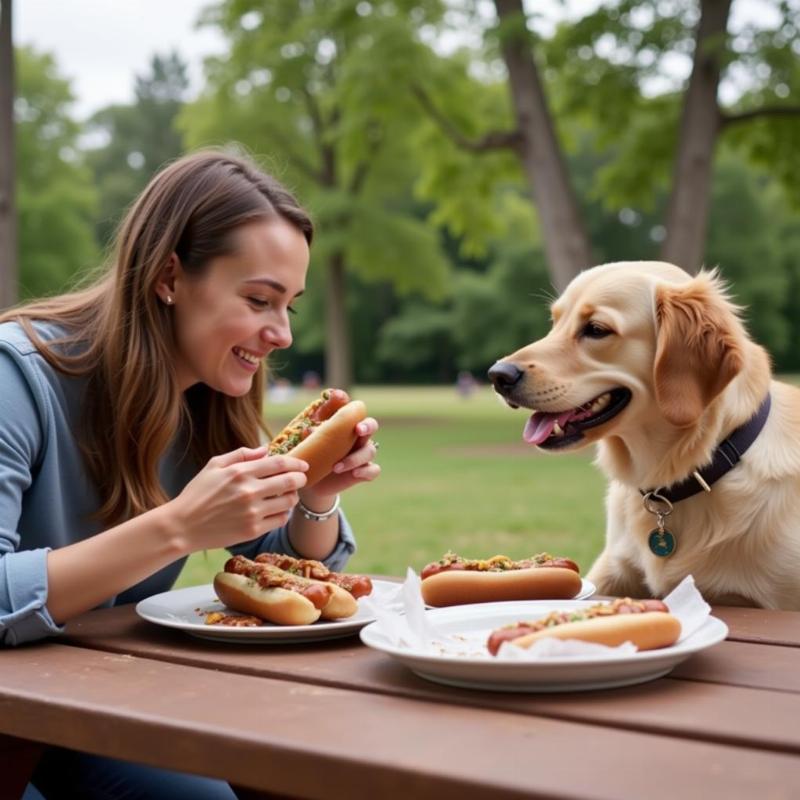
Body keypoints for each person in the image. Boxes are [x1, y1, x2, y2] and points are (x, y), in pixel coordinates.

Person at [1, 150, 380, 800]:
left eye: (290, 305)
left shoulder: (206, 397)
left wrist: (314, 497)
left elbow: (274, 563)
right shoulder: (18, 378)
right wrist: (175, 528)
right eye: (260, 299)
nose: (283, 334)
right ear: (169, 276)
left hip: (98, 704)